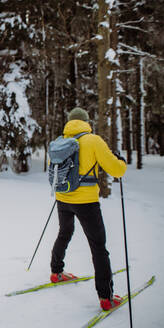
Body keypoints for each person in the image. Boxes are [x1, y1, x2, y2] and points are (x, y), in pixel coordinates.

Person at [49, 107, 127, 311]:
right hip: (86, 202)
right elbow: (116, 169)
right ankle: (106, 297)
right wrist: (121, 162)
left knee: (64, 232)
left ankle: (56, 272)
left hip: (63, 198)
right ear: (86, 121)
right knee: (98, 247)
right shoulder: (93, 140)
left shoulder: (58, 142)